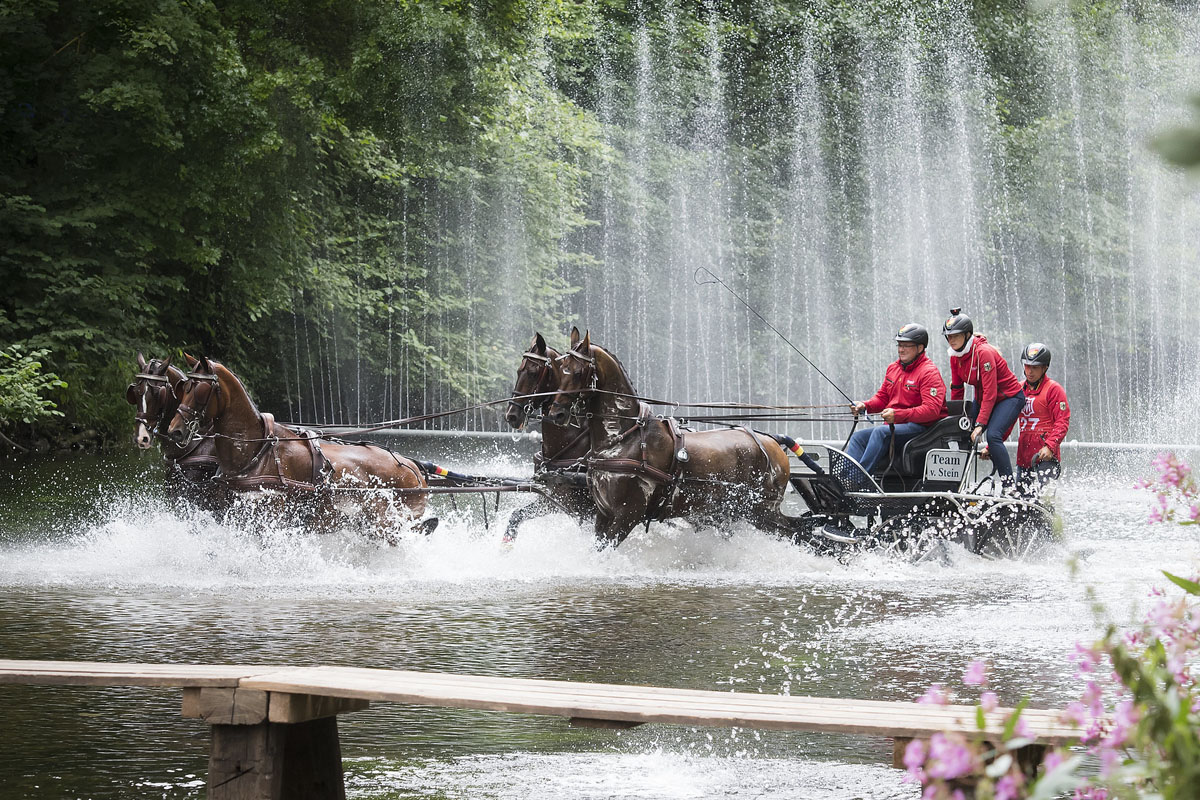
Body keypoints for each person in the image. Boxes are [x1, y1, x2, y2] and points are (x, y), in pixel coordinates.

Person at [846, 323, 948, 476]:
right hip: (896, 426)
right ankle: (844, 479)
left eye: (906, 345)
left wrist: (898, 415)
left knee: (880, 433)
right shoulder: (893, 368)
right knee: (858, 438)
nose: (901, 350)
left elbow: (931, 411)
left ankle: (859, 480)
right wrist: (864, 405)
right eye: (899, 345)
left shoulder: (929, 373)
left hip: (922, 430)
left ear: (920, 348)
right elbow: (882, 398)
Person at [943, 308, 1024, 485]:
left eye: (956, 335)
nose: (952, 340)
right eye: (948, 336)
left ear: (967, 335)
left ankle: (1009, 488)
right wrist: (955, 418)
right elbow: (957, 389)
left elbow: (990, 392)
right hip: (984, 398)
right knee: (961, 432)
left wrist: (980, 425)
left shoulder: (983, 352)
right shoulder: (955, 356)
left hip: (1009, 398)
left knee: (993, 436)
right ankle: (955, 485)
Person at [1012, 342, 1070, 487]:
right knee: (1021, 504)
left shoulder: (1054, 390)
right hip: (1024, 458)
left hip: (1046, 457)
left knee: (1044, 502)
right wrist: (992, 445)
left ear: (1045, 367)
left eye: (1035, 367)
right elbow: (1007, 420)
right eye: (1027, 366)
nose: (1030, 371)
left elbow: (1062, 422)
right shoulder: (1018, 389)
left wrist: (1050, 447)